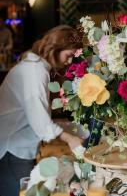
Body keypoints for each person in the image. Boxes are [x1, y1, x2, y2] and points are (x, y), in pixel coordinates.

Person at [0, 25, 83, 196]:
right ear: (55, 49)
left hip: (16, 147)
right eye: (68, 56)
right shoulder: (35, 71)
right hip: (12, 150)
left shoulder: (36, 66)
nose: (68, 62)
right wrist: (70, 138)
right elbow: (40, 121)